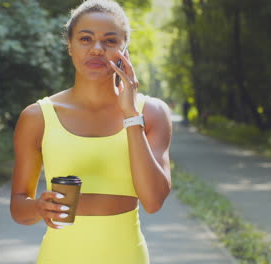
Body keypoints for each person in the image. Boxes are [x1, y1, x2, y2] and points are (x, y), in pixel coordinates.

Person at [10, 0, 172, 263]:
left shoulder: (151, 112)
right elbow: (19, 209)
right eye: (86, 39)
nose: (97, 49)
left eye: (110, 41)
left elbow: (153, 201)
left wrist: (131, 115)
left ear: (124, 49)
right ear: (70, 46)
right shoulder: (37, 117)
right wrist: (39, 207)